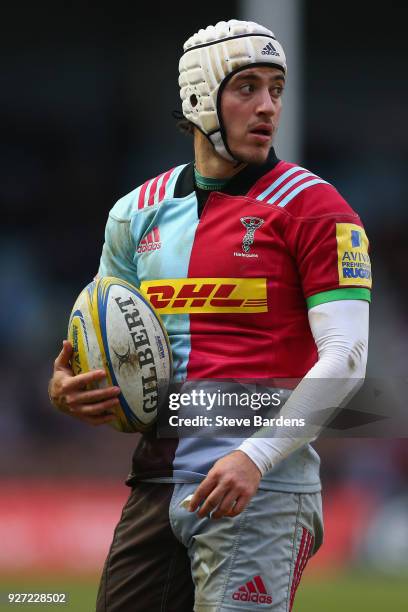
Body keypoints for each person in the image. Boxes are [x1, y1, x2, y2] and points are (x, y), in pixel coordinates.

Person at [49, 19, 371, 611]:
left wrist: (256, 456)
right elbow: (99, 332)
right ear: (200, 97)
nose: (267, 105)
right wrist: (68, 385)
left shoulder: (319, 210)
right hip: (155, 482)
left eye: (276, 88)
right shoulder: (134, 214)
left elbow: (347, 359)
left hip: (263, 487)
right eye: (246, 87)